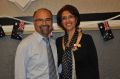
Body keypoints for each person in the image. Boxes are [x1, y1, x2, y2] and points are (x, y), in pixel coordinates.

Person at [56, 5, 99, 79]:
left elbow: (94, 66)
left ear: (76, 19)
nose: (68, 20)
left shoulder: (87, 39)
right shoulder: (58, 41)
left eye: (71, 17)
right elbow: (56, 64)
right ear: (61, 22)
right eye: (64, 18)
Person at [15, 8, 58, 79]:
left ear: (52, 22)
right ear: (34, 23)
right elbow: (19, 76)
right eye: (40, 20)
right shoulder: (25, 45)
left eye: (48, 20)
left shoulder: (53, 43)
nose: (44, 23)